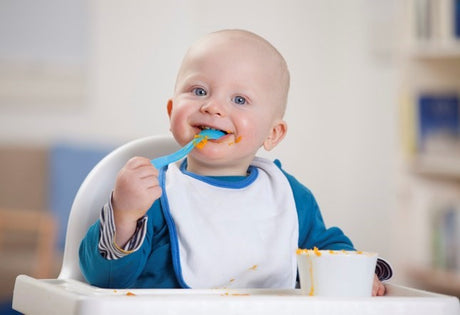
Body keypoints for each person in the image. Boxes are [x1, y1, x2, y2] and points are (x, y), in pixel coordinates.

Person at [79, 29, 391, 295]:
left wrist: (361, 274)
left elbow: (324, 249)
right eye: (199, 90)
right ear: (172, 110)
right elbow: (105, 280)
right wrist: (124, 215)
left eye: (239, 100)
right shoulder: (156, 196)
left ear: (273, 133)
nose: (213, 106)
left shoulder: (288, 197)